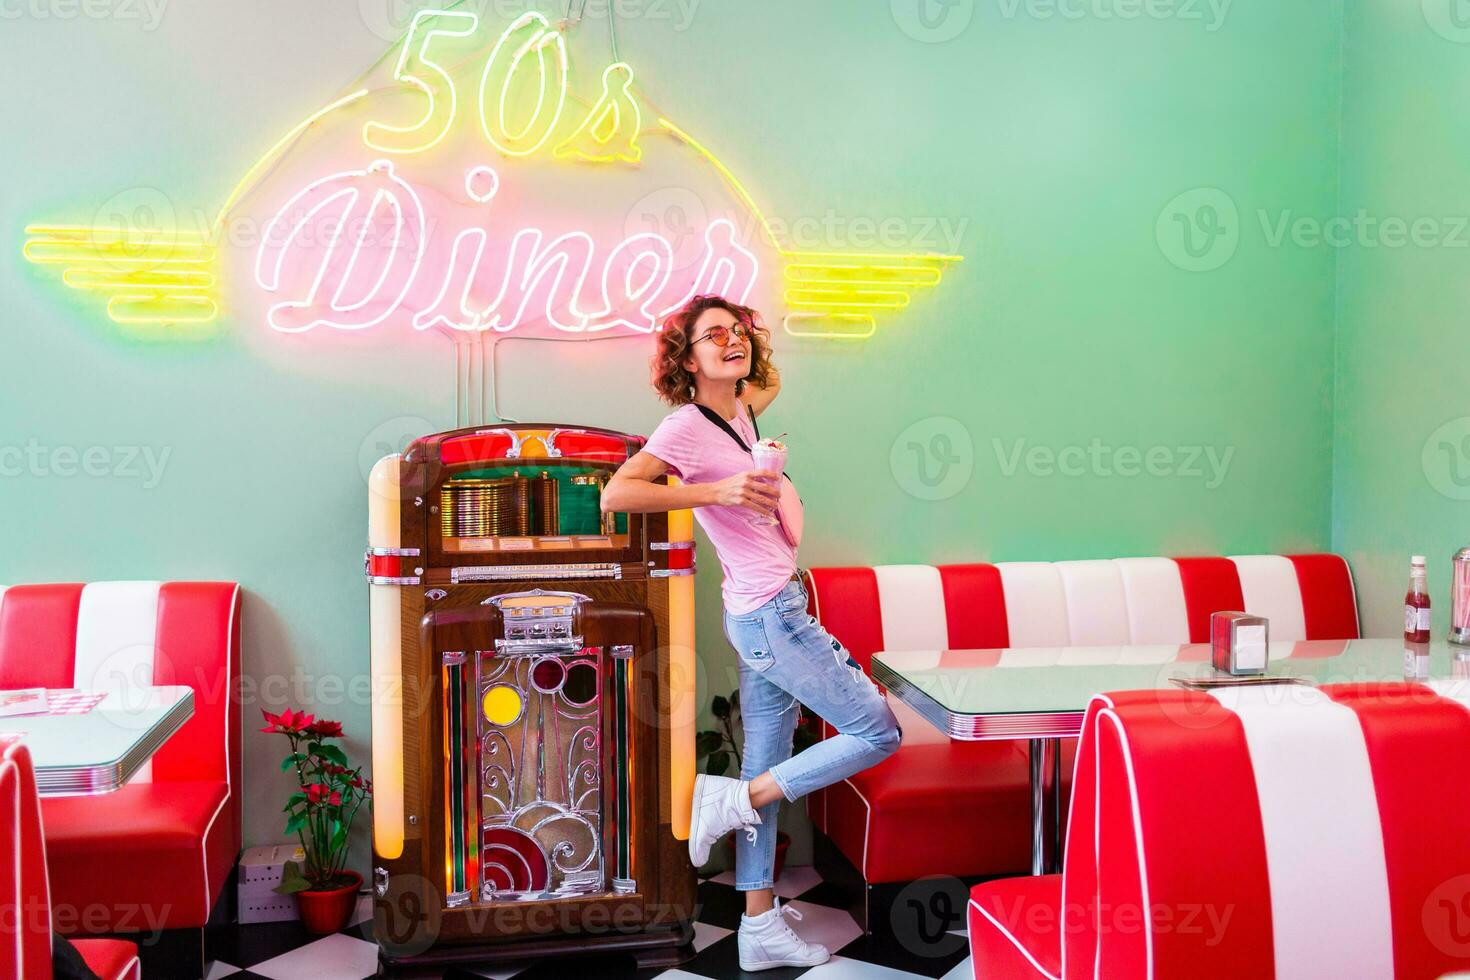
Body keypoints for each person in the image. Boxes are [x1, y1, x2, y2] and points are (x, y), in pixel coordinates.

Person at [601, 294, 902, 971]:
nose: (731, 341)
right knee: (878, 730)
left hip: (763, 608)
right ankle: (732, 800)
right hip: (773, 614)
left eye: (738, 332)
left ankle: (759, 924)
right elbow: (617, 494)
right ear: (686, 357)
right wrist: (718, 492)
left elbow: (771, 377)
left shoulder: (740, 407)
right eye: (713, 335)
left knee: (767, 762)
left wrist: (741, 355)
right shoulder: (684, 426)